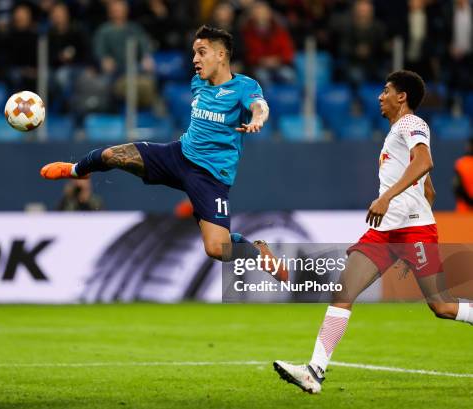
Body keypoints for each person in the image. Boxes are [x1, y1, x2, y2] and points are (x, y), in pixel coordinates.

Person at [273, 70, 473, 394]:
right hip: (384, 233)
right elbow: (427, 184)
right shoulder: (397, 131)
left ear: (402, 97)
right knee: (343, 292)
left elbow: (424, 162)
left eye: (386, 90)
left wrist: (386, 197)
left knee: (442, 306)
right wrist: (418, 197)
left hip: (412, 231)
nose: (379, 96)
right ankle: (314, 371)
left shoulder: (411, 123)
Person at [41, 25, 287, 281]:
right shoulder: (197, 83)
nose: (195, 60)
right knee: (112, 155)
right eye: (194, 53)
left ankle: (258, 253)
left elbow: (259, 105)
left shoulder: (244, 86)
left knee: (217, 248)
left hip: (211, 176)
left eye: (201, 53)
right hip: (178, 156)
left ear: (221, 55)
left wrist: (258, 119)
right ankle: (75, 170)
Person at [453, 138, 473, 212]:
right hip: (464, 210)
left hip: (464, 211)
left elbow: (456, 188)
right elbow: (457, 187)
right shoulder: (461, 163)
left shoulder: (461, 163)